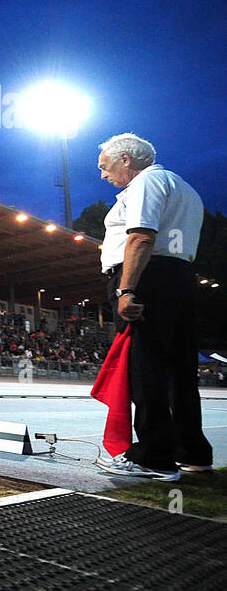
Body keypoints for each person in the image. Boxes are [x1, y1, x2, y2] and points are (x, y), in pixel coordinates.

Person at [95, 133, 214, 479]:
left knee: (145, 367)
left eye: (105, 167)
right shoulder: (185, 189)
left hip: (148, 277)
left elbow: (142, 236)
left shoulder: (146, 182)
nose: (103, 175)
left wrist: (126, 289)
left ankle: (152, 457)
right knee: (180, 370)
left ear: (125, 160)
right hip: (179, 277)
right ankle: (192, 451)